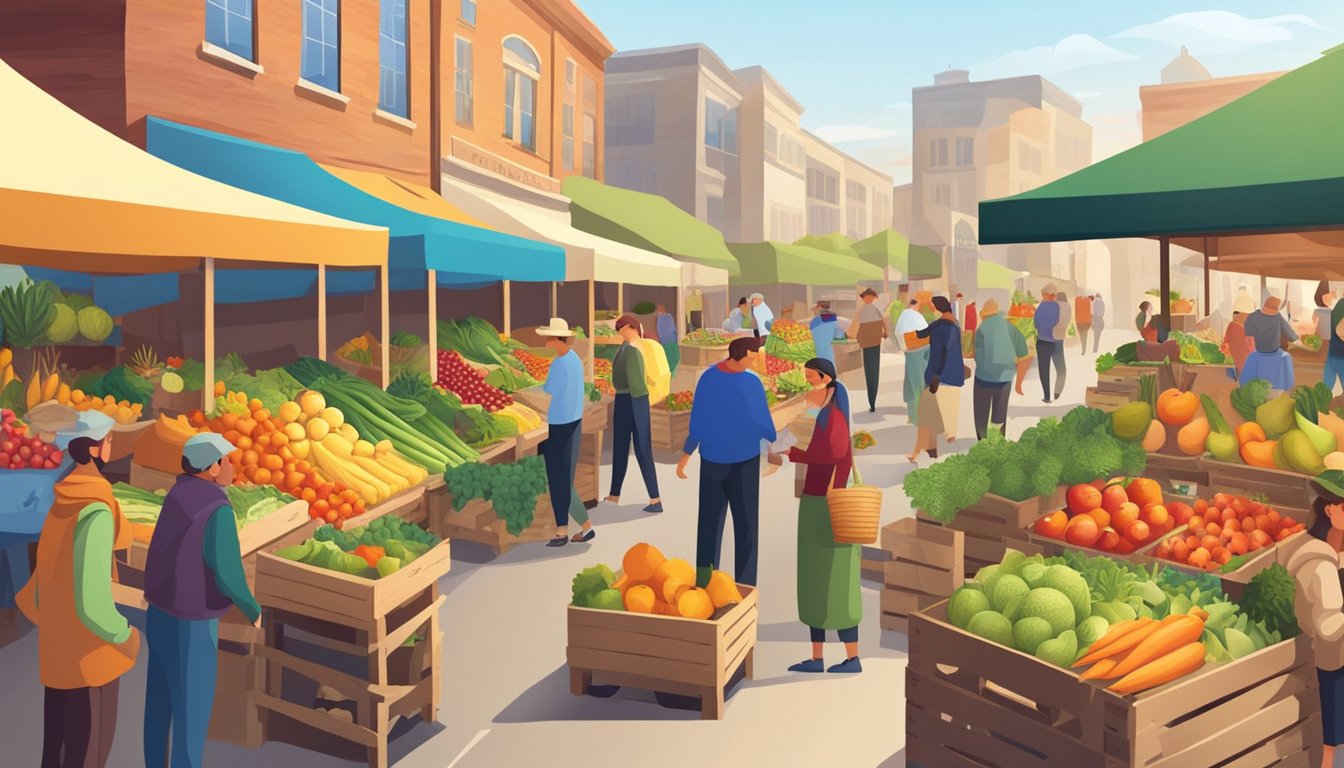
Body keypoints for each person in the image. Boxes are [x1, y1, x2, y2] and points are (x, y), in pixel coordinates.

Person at [17, 410, 138, 768]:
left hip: (57, 654)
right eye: (110, 440)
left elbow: (41, 583)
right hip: (88, 660)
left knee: (54, 748)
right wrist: (123, 634)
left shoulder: (62, 501)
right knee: (85, 753)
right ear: (98, 450)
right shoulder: (97, 511)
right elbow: (92, 603)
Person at [142, 432, 260, 768]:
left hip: (160, 611)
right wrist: (252, 609)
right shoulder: (217, 508)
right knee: (191, 714)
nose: (233, 466)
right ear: (211, 467)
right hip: (194, 621)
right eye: (228, 460)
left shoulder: (177, 493)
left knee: (159, 703)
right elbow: (227, 570)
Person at [773, 358, 862, 675]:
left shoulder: (834, 416)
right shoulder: (824, 412)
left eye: (811, 379)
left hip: (828, 504)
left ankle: (852, 657)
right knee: (812, 581)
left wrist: (794, 453)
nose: (808, 385)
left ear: (825, 380)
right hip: (814, 502)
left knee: (836, 582)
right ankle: (817, 657)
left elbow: (834, 454)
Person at [677, 337, 777, 587]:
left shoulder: (708, 378)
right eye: (754, 354)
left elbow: (697, 420)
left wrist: (687, 453)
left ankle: (704, 584)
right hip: (745, 461)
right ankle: (745, 585)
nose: (756, 359)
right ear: (743, 354)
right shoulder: (751, 383)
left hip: (713, 458)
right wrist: (773, 438)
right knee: (746, 524)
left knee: (709, 523)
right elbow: (763, 423)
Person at [1278, 470, 1344, 768]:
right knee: (1332, 742)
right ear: (1330, 510)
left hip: (1314, 661)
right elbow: (1329, 629)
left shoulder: (1305, 546)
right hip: (1329, 664)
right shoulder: (1322, 567)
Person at [536, 319, 592, 546]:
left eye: (549, 337)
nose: (547, 341)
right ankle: (585, 527)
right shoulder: (574, 359)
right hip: (573, 421)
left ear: (557, 339)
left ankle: (562, 532)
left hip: (560, 424)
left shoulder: (560, 363)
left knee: (558, 479)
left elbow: (550, 389)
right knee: (564, 479)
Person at [606, 315, 662, 513]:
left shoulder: (634, 349)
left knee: (642, 449)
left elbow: (636, 383)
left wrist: (619, 390)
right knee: (620, 448)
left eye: (622, 328)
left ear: (631, 327)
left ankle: (655, 499)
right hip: (626, 400)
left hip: (634, 401)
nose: (620, 331)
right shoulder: (626, 346)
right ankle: (614, 494)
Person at [906, 296, 964, 461]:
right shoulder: (954, 325)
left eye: (932, 306)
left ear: (937, 308)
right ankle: (928, 451)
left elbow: (938, 354)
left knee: (926, 417)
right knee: (939, 417)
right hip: (954, 377)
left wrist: (934, 377)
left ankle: (922, 451)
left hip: (938, 378)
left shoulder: (939, 330)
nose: (931, 309)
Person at [972, 299, 1030, 440]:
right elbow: (1024, 354)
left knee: (981, 412)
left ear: (984, 314)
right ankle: (999, 440)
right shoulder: (1010, 328)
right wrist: (1018, 383)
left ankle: (982, 440)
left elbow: (977, 355)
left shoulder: (981, 329)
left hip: (983, 379)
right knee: (1000, 412)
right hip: (1005, 378)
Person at [1242, 296, 1299, 391]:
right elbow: (1292, 336)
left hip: (1255, 353)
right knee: (1287, 358)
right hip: (1274, 353)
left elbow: (1245, 335)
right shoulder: (1277, 318)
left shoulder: (1251, 317)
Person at [850, 287, 889, 413]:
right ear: (863, 298)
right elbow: (855, 328)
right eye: (867, 297)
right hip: (868, 343)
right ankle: (871, 401)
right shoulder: (863, 311)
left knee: (872, 371)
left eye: (870, 297)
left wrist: (884, 333)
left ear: (873, 298)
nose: (868, 299)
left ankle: (872, 401)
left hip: (872, 342)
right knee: (870, 371)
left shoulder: (872, 310)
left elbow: (884, 323)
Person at [895, 298, 930, 425]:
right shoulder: (914, 314)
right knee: (917, 382)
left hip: (912, 350)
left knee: (913, 382)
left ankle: (915, 416)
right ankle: (917, 416)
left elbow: (899, 333)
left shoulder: (905, 315)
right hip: (923, 346)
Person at [1034, 282, 1063, 403]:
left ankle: (1047, 396)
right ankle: (1057, 391)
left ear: (1046, 294)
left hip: (1042, 341)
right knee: (1059, 368)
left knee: (1044, 369)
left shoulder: (1041, 306)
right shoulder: (1056, 306)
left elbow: (1036, 322)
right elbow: (1056, 320)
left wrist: (1043, 328)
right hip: (1054, 341)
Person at [1222, 293, 1256, 380]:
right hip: (1246, 368)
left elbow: (1225, 344)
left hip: (1232, 367)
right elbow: (1251, 350)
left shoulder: (1231, 326)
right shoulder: (1248, 329)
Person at [808, 301, 843, 365]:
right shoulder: (834, 318)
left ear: (820, 307)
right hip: (832, 350)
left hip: (820, 349)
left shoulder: (816, 320)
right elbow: (839, 334)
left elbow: (811, 334)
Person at [1052, 290, 1071, 395]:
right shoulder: (1067, 306)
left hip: (1048, 336)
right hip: (1059, 337)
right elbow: (1067, 320)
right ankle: (1057, 392)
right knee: (1061, 369)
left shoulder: (1053, 305)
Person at [655, 303, 680, 375]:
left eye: (659, 308)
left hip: (670, 345)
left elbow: (668, 332)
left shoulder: (667, 317)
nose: (657, 310)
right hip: (664, 345)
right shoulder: (660, 317)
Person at [1328, 286, 1344, 395]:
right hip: (1340, 354)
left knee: (1326, 388)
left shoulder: (1340, 303)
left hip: (1333, 353)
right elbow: (1341, 331)